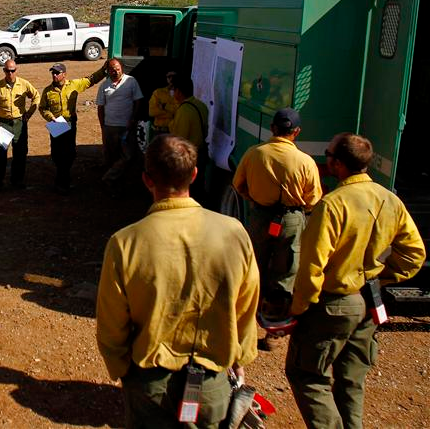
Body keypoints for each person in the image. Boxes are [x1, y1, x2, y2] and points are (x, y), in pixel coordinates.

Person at [96, 135, 259, 428]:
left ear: (147, 180)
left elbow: (111, 321)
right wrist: (239, 359)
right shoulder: (234, 233)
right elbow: (245, 307)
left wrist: (122, 370)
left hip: (149, 382)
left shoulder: (125, 243)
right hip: (211, 382)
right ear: (194, 175)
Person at [286, 132, 425, 429]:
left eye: (328, 153)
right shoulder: (390, 200)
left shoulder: (332, 205)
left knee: (307, 375)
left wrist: (298, 308)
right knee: (351, 380)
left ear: (337, 164)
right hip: (369, 299)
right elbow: (415, 254)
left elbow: (312, 267)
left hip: (333, 304)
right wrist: (383, 277)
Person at [232, 107, 322, 351]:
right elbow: (313, 199)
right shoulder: (305, 161)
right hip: (292, 219)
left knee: (254, 265)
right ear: (297, 132)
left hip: (260, 215)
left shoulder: (254, 154)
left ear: (273, 128)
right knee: (286, 272)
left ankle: (245, 324)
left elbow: (238, 184)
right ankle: (274, 332)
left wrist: (253, 200)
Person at [38, 62, 106, 193]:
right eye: (53, 73)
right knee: (56, 153)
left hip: (69, 121)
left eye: (57, 73)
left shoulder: (74, 85)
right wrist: (50, 117)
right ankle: (63, 180)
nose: (54, 75)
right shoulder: (48, 91)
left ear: (64, 74)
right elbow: (43, 108)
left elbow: (90, 80)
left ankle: (62, 181)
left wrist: (103, 70)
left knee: (69, 153)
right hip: (56, 122)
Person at [0, 59, 39, 192]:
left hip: (19, 123)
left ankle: (17, 180)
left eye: (12, 70)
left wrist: (29, 113)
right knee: (1, 154)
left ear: (16, 70)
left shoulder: (24, 84)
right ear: (4, 70)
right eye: (7, 70)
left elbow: (36, 96)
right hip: (4, 124)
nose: (10, 73)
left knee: (20, 153)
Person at [96, 58, 144, 188]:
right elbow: (100, 107)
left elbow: (138, 101)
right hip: (110, 126)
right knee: (111, 155)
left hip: (127, 125)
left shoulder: (131, 81)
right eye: (112, 70)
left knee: (128, 155)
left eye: (117, 69)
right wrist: (103, 126)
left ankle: (110, 177)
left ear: (121, 68)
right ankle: (113, 182)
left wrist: (133, 119)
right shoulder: (104, 85)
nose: (115, 72)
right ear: (108, 71)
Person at [169, 75, 209, 203]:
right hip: (201, 153)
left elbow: (179, 139)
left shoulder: (184, 110)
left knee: (187, 191)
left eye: (173, 90)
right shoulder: (201, 105)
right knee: (198, 188)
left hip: (188, 157)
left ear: (179, 92)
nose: (173, 93)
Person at [147, 70, 180, 135]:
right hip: (160, 130)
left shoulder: (181, 93)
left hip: (176, 130)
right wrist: (172, 114)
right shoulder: (158, 92)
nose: (171, 79)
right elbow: (152, 112)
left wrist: (164, 107)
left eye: (174, 77)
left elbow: (181, 110)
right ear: (166, 78)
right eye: (169, 76)